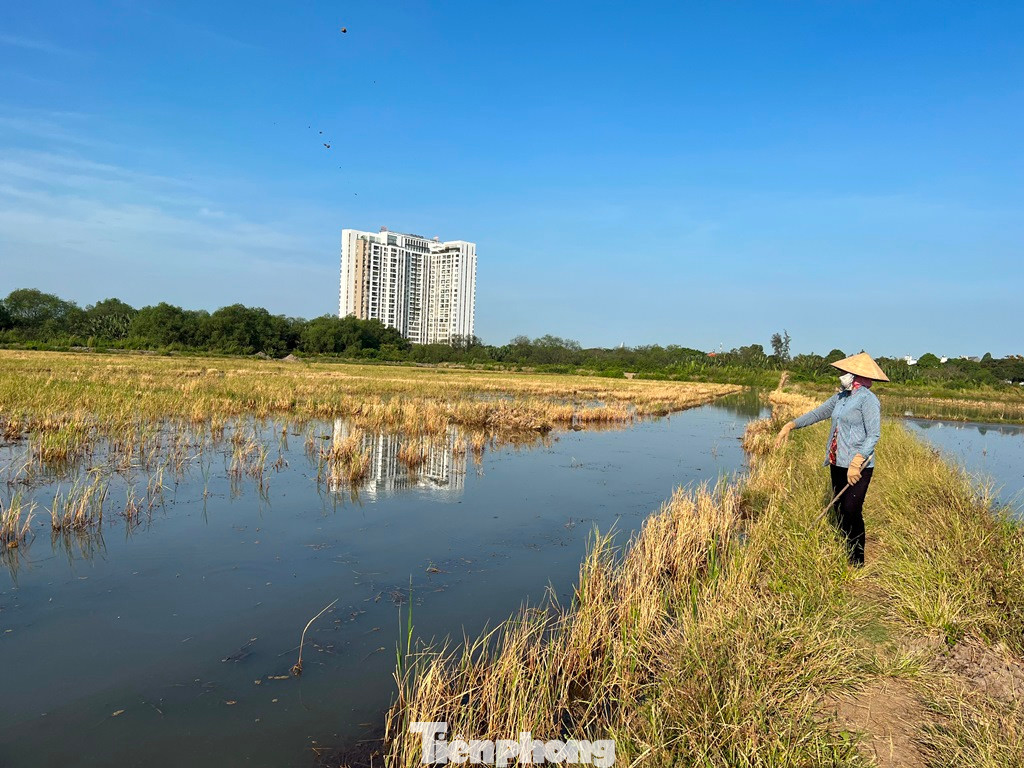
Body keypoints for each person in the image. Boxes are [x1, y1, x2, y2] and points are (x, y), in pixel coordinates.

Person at [774, 352, 888, 566]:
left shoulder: (868, 400)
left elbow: (874, 434)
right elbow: (818, 413)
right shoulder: (841, 397)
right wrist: (791, 425)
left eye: (846, 372)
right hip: (837, 462)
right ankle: (845, 549)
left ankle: (857, 561)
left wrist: (857, 462)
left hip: (858, 466)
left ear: (856, 375)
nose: (842, 375)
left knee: (851, 510)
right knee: (839, 509)